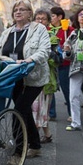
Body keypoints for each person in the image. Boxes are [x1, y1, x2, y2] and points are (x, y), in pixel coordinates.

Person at [0, 0, 51, 164]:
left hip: (33, 78)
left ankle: (18, 153)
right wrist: (8, 61)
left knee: (18, 110)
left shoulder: (39, 29)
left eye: (22, 9)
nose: (18, 12)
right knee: (24, 111)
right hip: (13, 77)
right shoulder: (8, 31)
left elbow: (44, 51)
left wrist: (28, 60)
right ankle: (35, 145)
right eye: (15, 10)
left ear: (29, 13)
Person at [31, 9, 57, 143]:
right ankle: (47, 135)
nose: (40, 21)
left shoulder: (52, 37)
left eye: (43, 19)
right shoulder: (30, 35)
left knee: (39, 108)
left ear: (48, 22)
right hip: (31, 76)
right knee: (39, 109)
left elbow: (56, 58)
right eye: (38, 18)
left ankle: (33, 141)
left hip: (45, 78)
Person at [48, 6, 73, 119]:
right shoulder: (47, 30)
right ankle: (51, 113)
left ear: (60, 17)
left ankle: (72, 113)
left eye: (52, 16)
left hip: (64, 64)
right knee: (50, 88)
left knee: (67, 89)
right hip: (51, 63)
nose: (51, 18)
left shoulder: (68, 30)